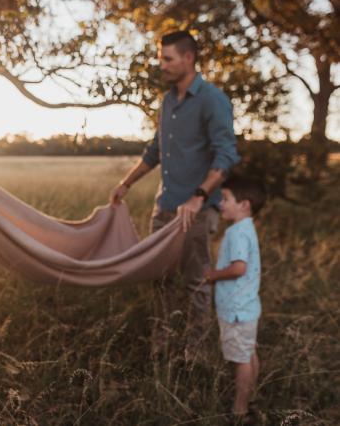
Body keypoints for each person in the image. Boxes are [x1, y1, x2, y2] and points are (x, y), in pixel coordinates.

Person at [110, 30, 241, 349]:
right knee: (160, 278)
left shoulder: (213, 99)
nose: (162, 65)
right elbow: (155, 151)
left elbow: (226, 155)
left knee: (196, 282)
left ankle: (194, 354)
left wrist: (198, 198)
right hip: (165, 205)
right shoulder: (168, 101)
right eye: (160, 59)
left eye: (167, 59)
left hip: (196, 211)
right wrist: (125, 183)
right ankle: (162, 340)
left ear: (188, 58)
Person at [203, 177, 265, 422]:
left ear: (244, 205)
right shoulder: (247, 228)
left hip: (236, 309)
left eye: (226, 198)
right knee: (249, 353)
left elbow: (238, 268)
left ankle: (240, 410)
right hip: (248, 306)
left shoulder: (237, 232)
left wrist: (213, 275)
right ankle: (251, 396)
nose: (220, 202)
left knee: (241, 359)